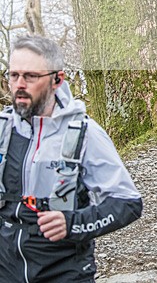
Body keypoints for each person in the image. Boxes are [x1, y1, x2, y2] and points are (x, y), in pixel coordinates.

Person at [0, 35, 142, 283]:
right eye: (13, 75)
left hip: (64, 271)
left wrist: (73, 223)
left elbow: (127, 203)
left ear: (57, 80)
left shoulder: (84, 132)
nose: (20, 84)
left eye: (31, 76)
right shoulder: (3, 130)